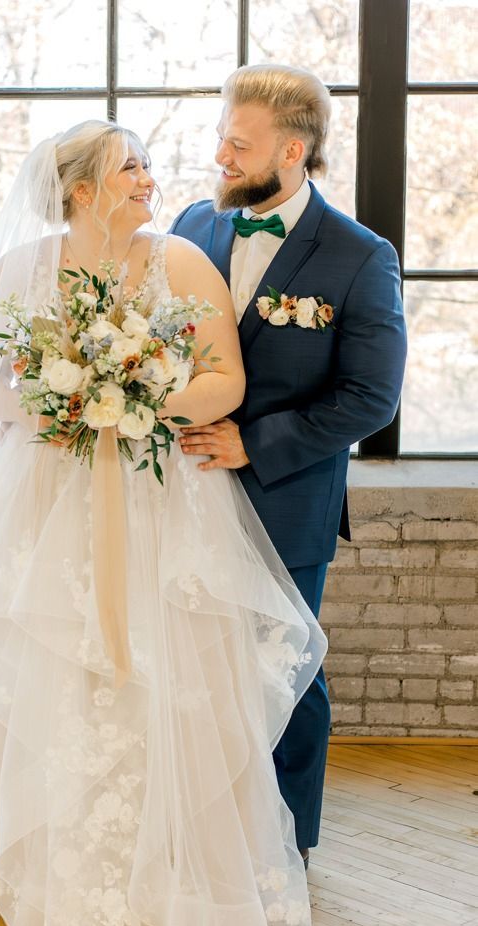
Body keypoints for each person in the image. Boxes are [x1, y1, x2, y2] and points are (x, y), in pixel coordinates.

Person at [0, 121, 328, 926]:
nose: (148, 179)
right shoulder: (23, 268)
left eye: (147, 166)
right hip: (46, 494)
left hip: (161, 496)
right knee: (42, 654)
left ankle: (172, 854)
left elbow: (224, 379)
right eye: (130, 168)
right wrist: (55, 407)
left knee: (166, 659)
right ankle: (17, 847)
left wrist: (137, 408)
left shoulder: (180, 262)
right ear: (83, 190)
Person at [171, 65, 407, 868]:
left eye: (239, 145)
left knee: (286, 672)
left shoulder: (358, 256)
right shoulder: (192, 224)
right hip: (182, 494)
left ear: (292, 151)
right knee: (189, 664)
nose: (221, 157)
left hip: (286, 498)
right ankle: (201, 832)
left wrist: (255, 444)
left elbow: (370, 398)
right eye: (221, 139)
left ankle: (286, 848)